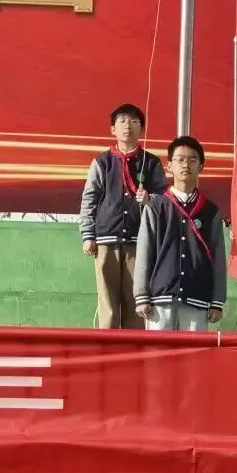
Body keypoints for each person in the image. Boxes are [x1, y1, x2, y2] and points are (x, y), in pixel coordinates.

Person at [79, 104, 166, 329]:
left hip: (140, 242)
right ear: (113, 129)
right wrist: (88, 235)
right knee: (107, 301)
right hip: (105, 240)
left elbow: (165, 200)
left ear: (142, 129)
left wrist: (149, 199)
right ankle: (106, 346)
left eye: (134, 122)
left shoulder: (152, 162)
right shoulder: (102, 162)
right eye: (123, 121)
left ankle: (133, 347)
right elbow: (89, 199)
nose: (128, 126)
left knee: (136, 301)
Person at [134, 136, 226, 331]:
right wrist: (141, 295)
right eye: (180, 160)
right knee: (158, 350)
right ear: (169, 166)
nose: (186, 165)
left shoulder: (210, 211)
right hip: (159, 299)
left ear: (201, 166)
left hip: (197, 298)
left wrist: (217, 301)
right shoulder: (155, 206)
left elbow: (218, 258)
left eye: (193, 160)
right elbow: (144, 252)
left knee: (194, 351)